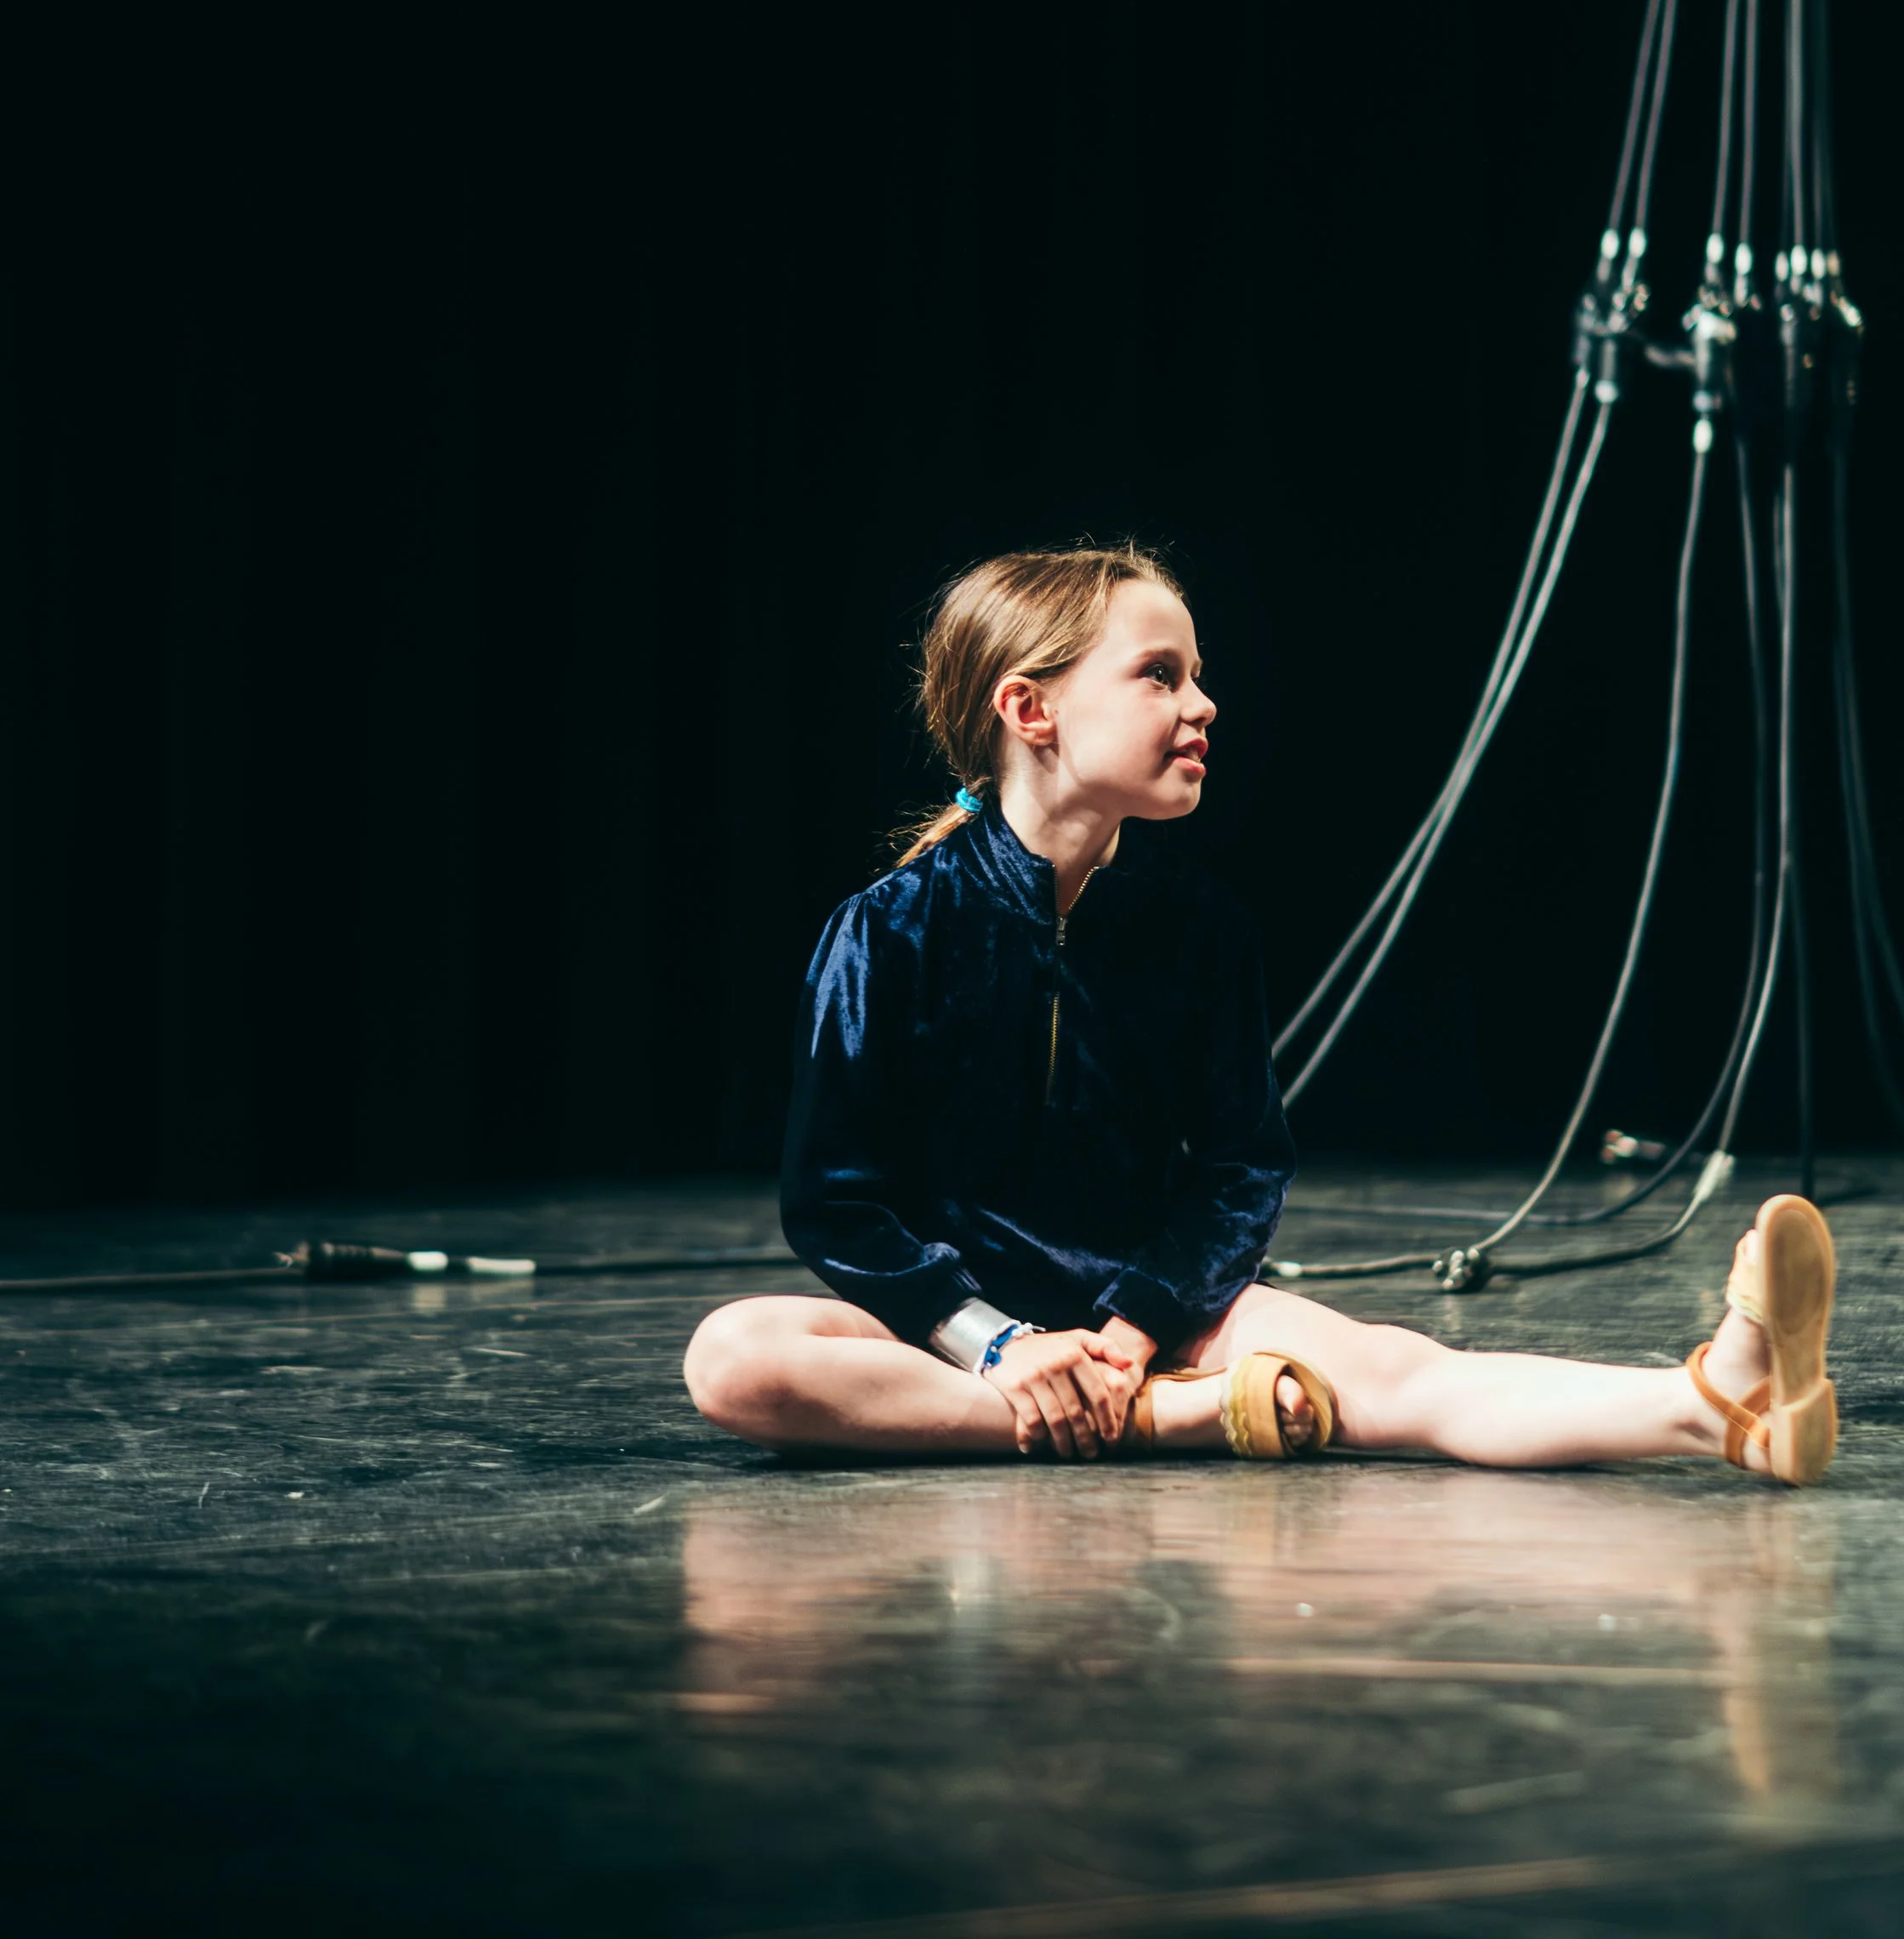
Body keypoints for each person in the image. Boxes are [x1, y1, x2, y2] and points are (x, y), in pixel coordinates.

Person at [684, 545, 1838, 1482]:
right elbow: (836, 1202)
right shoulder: (889, 929)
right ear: (1029, 707)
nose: (1204, 703)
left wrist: (1134, 1328)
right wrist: (996, 1339)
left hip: (1151, 1319)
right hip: (952, 1331)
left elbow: (1238, 1167)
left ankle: (1716, 1403)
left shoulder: (1199, 928)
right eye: (1161, 674)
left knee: (1401, 1372)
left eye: (1195, 674)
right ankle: (1164, 1425)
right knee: (733, 1355)